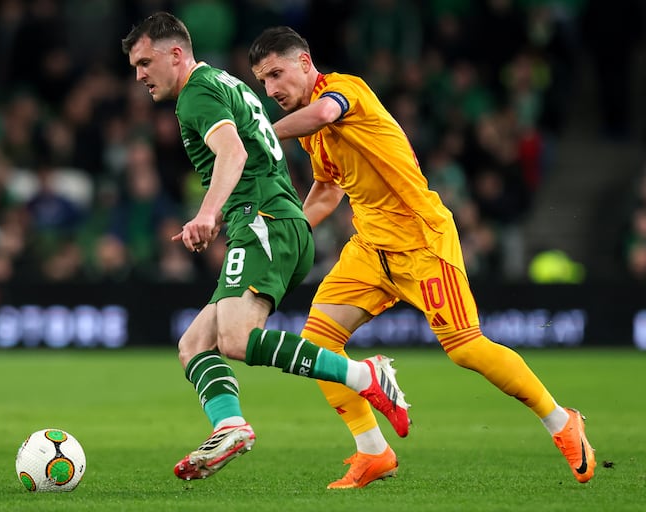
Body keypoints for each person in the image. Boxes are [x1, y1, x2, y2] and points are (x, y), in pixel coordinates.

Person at [248, 26, 596, 487]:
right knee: (316, 346)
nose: (271, 89)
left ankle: (561, 421)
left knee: (467, 349)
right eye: (262, 82)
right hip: (372, 248)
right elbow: (328, 192)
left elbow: (322, 114)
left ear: (306, 63)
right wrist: (283, 236)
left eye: (277, 73)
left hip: (421, 241)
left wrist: (258, 135)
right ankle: (372, 452)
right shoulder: (312, 133)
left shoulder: (342, 92)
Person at [121, 12, 410, 483]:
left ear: (176, 54)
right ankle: (230, 425)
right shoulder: (223, 82)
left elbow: (234, 153)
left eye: (144, 62)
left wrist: (208, 212)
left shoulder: (196, 93)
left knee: (235, 340)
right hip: (273, 220)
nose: (139, 75)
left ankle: (365, 376)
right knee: (195, 344)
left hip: (263, 220)